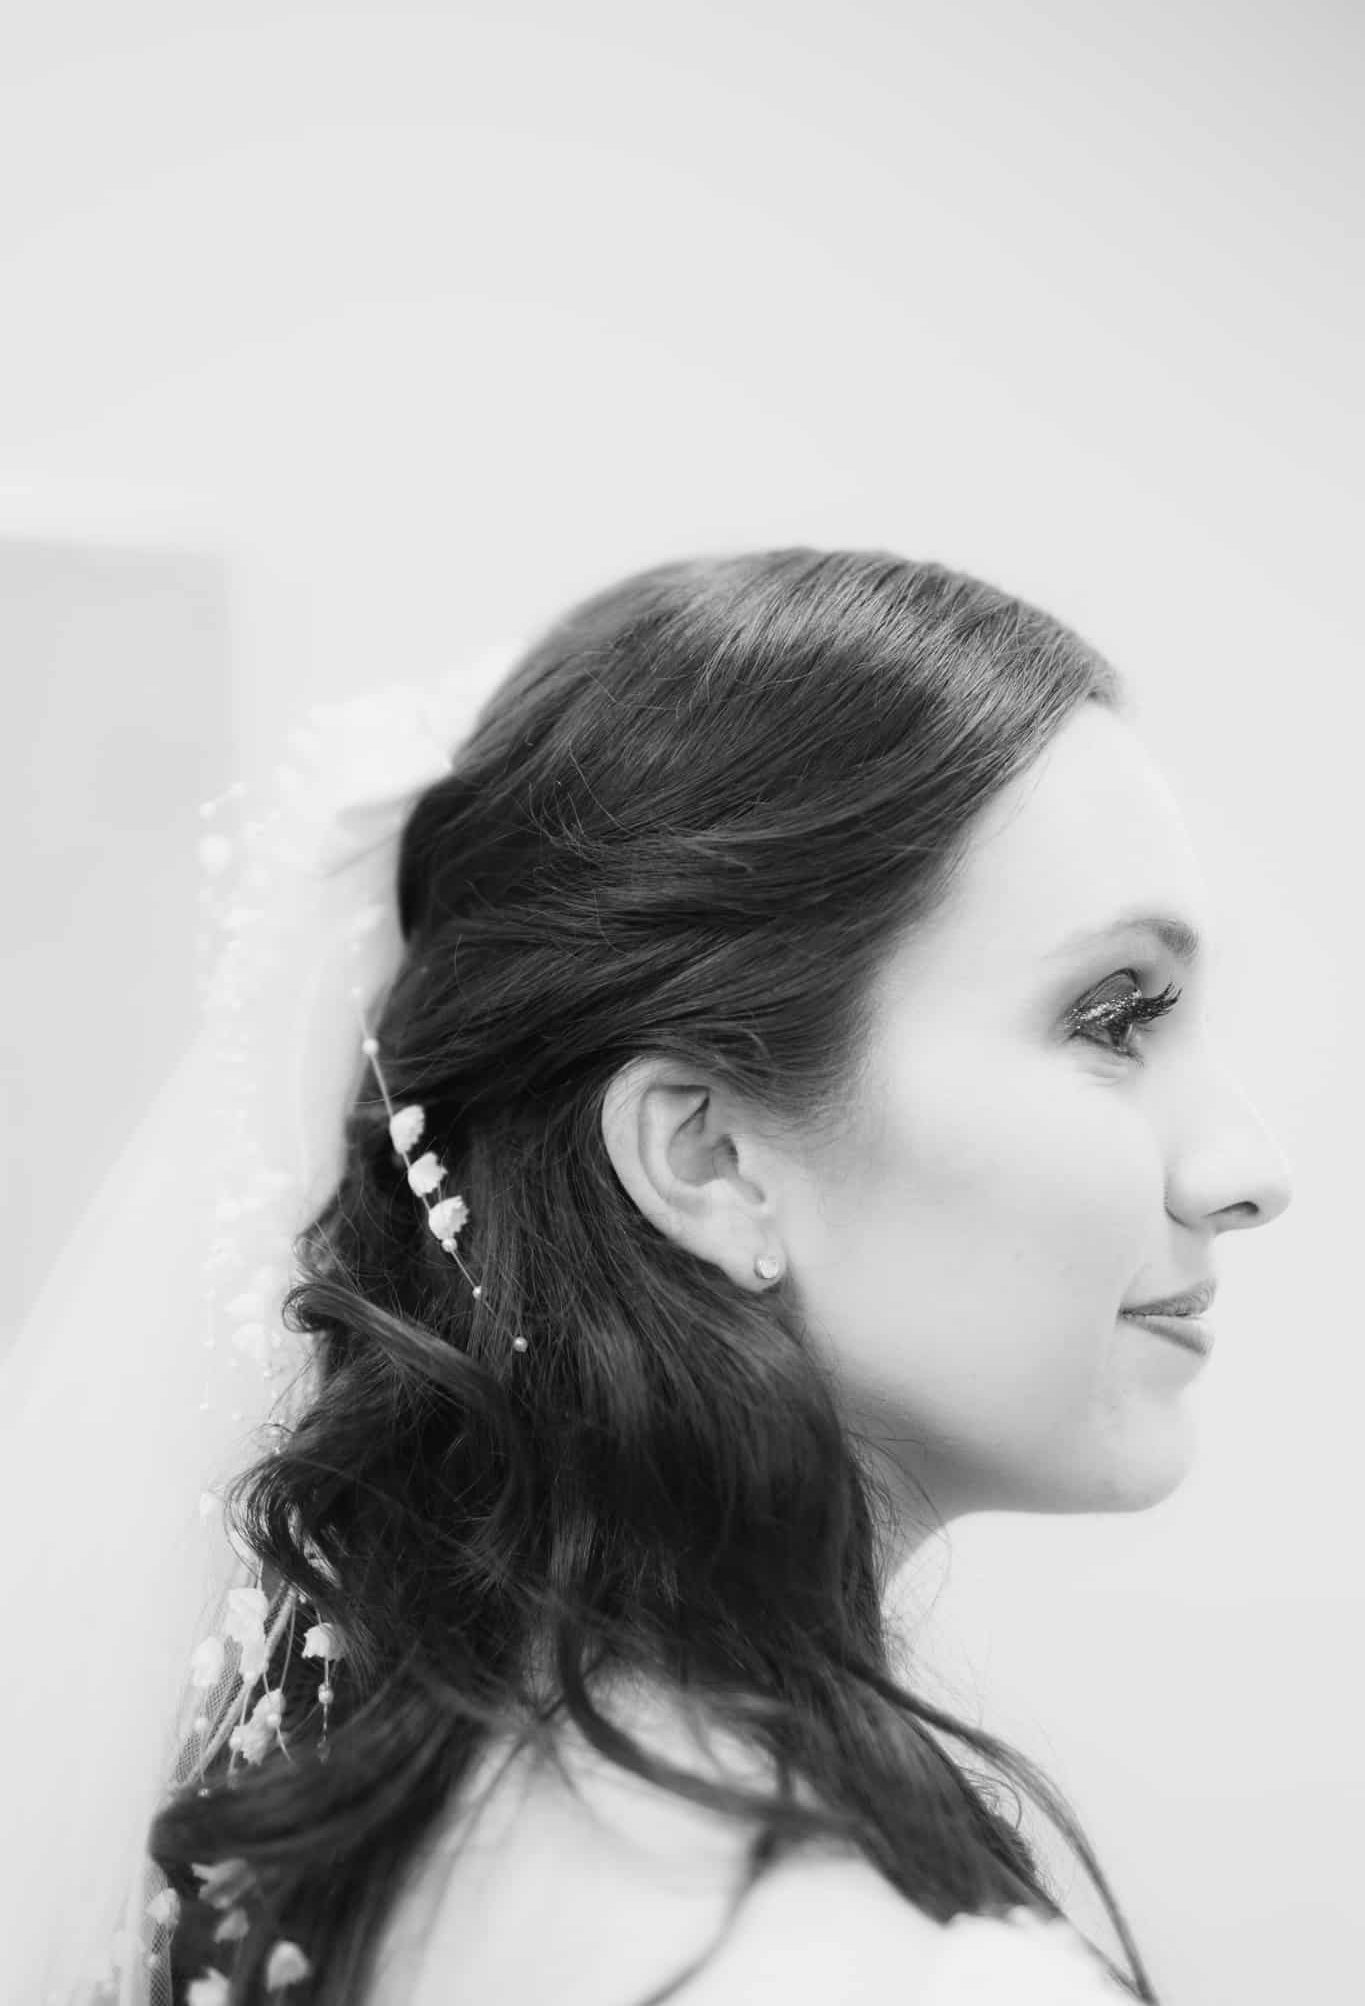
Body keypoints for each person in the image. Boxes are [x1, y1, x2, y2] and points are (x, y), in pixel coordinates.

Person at [1, 548, 1292, 2005]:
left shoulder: (428, 1836)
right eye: (1113, 1015)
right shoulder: (836, 1969)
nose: (1247, 1170)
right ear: (709, 1157)